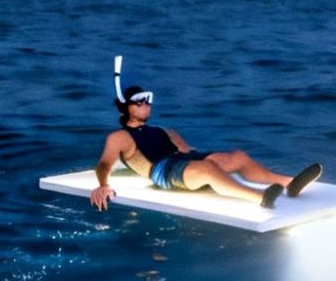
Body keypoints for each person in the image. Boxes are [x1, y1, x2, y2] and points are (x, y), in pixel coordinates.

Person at [89, 85, 322, 211]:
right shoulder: (120, 136)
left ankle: (289, 184)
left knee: (237, 157)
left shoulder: (164, 130)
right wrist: (103, 185)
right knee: (207, 169)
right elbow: (104, 164)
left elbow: (188, 151)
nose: (146, 105)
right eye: (140, 101)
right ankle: (260, 198)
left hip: (182, 160)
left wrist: (215, 159)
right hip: (163, 171)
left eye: (148, 100)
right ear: (125, 107)